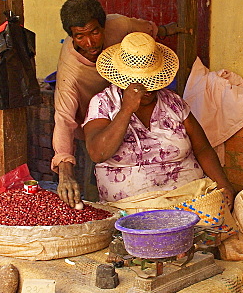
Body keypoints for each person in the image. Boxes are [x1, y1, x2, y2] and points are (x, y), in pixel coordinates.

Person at [52, 0, 179, 207]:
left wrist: (164, 31)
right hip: (93, 124)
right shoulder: (70, 72)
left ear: (103, 27)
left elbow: (142, 30)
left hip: (134, 106)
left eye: (94, 32)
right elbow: (63, 119)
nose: (90, 43)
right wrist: (64, 170)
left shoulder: (118, 25)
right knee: (94, 172)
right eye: (80, 37)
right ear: (71, 36)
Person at [83, 32, 235, 208]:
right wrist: (126, 109)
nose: (146, 87)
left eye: (151, 80)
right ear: (123, 78)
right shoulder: (103, 103)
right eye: (138, 81)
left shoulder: (173, 102)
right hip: (131, 207)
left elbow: (202, 148)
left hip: (189, 199)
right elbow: (97, 153)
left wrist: (225, 186)